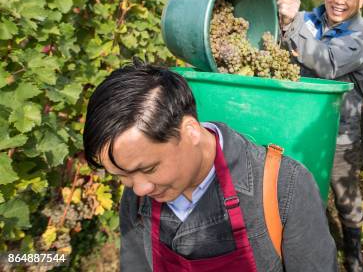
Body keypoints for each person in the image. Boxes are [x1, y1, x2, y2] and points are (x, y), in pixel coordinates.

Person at [82, 61, 337, 272]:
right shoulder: (139, 196)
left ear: (190, 131)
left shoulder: (283, 187)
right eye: (122, 176)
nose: (138, 188)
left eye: (149, 169)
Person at [276, 0, 363, 272]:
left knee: (346, 198)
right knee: (303, 196)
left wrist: (293, 24)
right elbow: (281, 44)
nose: (339, 1)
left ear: (361, 0)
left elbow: (328, 63)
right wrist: (281, 19)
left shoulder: (362, 36)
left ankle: (354, 253)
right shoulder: (310, 20)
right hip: (301, 128)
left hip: (339, 134)